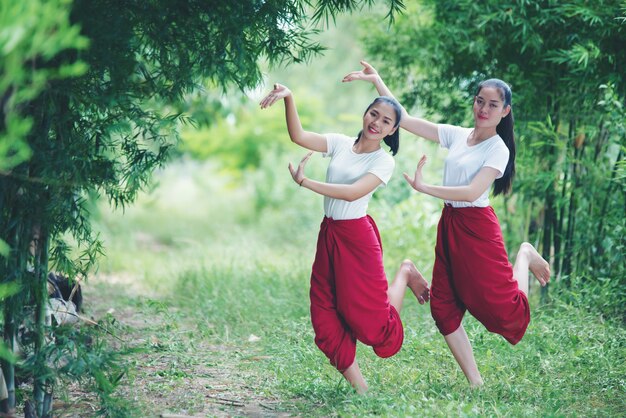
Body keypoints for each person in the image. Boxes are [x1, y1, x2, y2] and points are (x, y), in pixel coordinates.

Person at [343, 61, 551, 386]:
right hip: (451, 224)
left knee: (506, 314)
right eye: (480, 101)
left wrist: (426, 188)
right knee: (442, 308)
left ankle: (524, 254)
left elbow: (471, 192)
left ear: (505, 111)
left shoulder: (498, 149)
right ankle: (475, 382)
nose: (483, 109)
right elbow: (406, 121)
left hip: (478, 229)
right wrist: (377, 81)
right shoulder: (458, 135)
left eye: (492, 105)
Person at [259, 83, 430, 394]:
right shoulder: (339, 143)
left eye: (385, 121)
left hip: (358, 240)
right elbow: (298, 136)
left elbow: (352, 193)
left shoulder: (383, 161)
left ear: (392, 130)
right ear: (365, 114)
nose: (376, 123)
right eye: (373, 114)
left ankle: (405, 272)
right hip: (330, 235)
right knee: (323, 315)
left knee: (371, 324)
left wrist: (307, 182)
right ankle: (361, 391)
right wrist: (289, 97)